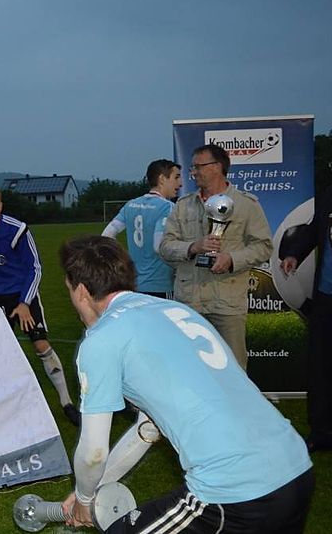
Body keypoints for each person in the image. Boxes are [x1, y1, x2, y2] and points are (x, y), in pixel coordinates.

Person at [59, 235, 313, 533]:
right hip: (295, 469)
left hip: (235, 491)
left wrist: (85, 499)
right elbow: (147, 430)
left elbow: (93, 452)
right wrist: (89, 491)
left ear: (80, 291)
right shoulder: (175, 311)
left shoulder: (102, 339)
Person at [0, 185, 80, 426]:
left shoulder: (17, 229)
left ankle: (67, 403)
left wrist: (25, 302)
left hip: (22, 294)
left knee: (41, 344)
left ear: (1, 206)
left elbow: (35, 268)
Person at [159, 144, 272, 370]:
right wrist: (193, 247)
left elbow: (264, 246)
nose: (193, 172)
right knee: (191, 369)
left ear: (217, 167)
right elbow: (165, 247)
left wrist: (231, 259)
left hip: (227, 305)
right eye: (192, 168)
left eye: (198, 167)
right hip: (190, 304)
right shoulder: (183, 205)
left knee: (233, 370)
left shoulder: (246, 204)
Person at [280, 186, 332, 453]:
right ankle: (321, 433)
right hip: (325, 296)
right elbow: (314, 230)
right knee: (320, 366)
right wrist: (294, 254)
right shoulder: (329, 194)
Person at [102, 159, 182, 298]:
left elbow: (106, 235)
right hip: (160, 285)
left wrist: (124, 259)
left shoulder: (131, 205)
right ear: (162, 179)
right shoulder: (167, 207)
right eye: (176, 177)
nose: (180, 183)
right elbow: (158, 247)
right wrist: (180, 263)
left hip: (134, 285)